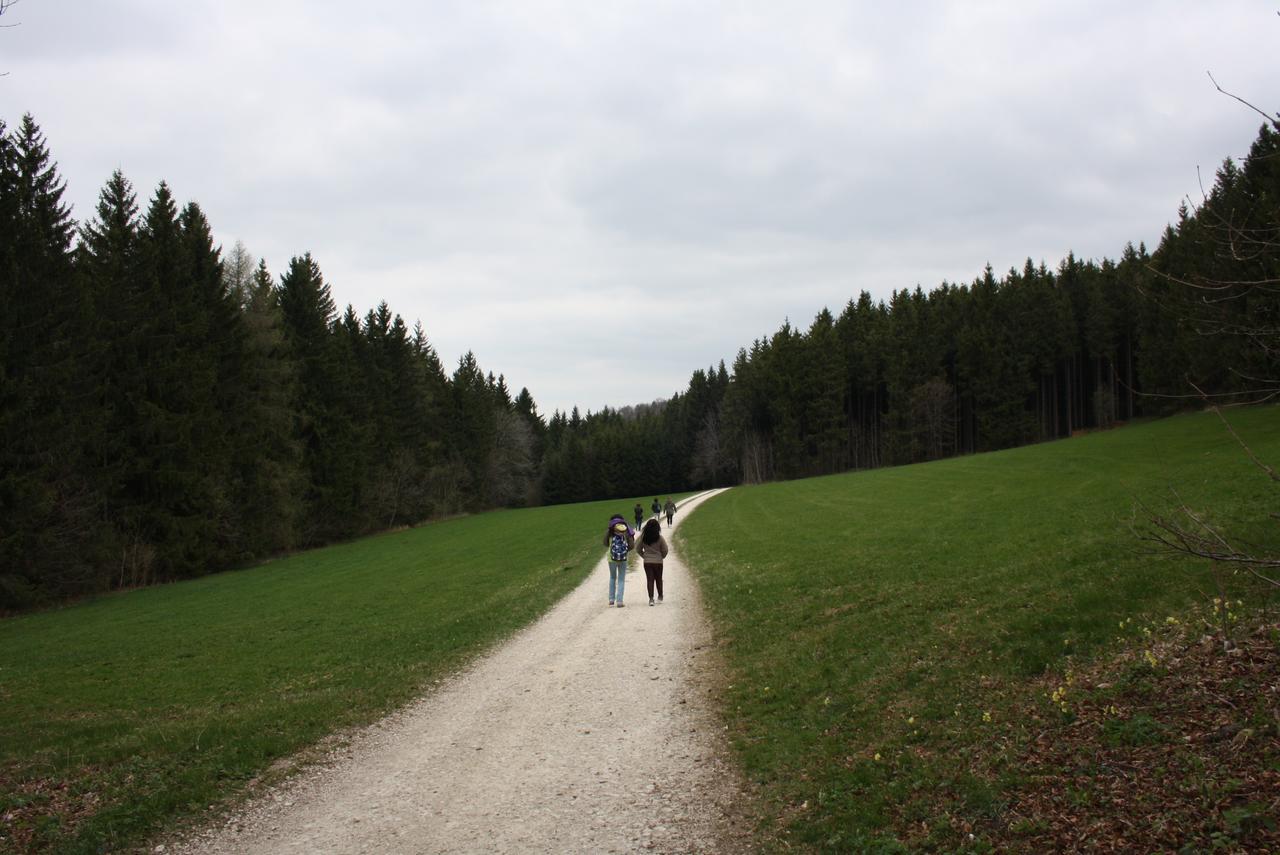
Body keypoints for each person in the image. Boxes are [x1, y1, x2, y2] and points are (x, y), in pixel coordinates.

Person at [636, 518, 669, 606]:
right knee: (659, 579)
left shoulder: (644, 538)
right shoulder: (660, 538)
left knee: (649, 580)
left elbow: (638, 549)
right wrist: (661, 557)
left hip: (647, 562)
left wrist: (644, 556)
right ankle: (660, 596)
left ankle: (651, 599)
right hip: (658, 562)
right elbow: (665, 550)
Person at [603, 514, 634, 607]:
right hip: (623, 558)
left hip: (611, 558)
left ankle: (611, 599)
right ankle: (619, 601)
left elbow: (605, 543)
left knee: (612, 577)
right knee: (621, 579)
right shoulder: (627, 531)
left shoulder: (610, 530)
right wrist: (624, 551)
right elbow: (632, 545)